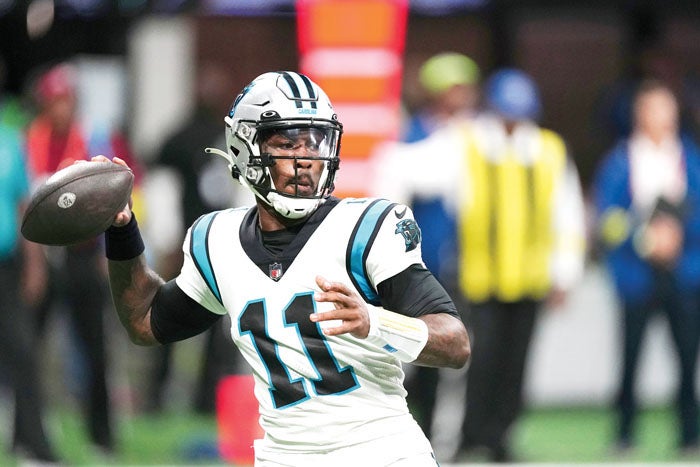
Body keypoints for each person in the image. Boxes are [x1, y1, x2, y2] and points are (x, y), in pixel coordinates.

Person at [95, 70, 470, 466]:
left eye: (315, 142)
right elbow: (144, 322)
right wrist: (122, 231)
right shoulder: (217, 240)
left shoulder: (366, 229)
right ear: (245, 149)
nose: (306, 159)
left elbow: (455, 343)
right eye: (288, 144)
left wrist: (376, 323)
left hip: (380, 452)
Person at [24, 61, 142, 455]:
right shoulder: (32, 139)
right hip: (41, 255)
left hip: (82, 253)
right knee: (27, 348)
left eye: (66, 100)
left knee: (94, 348)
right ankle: (27, 433)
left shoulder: (94, 137)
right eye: (54, 100)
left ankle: (102, 436)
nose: (61, 107)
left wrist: (113, 244)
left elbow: (121, 188)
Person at [592, 79, 700, 456]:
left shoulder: (689, 157)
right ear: (639, 114)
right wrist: (644, 239)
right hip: (637, 276)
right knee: (631, 357)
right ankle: (624, 433)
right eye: (653, 108)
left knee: (687, 358)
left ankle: (689, 433)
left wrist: (678, 239)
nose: (661, 116)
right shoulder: (621, 160)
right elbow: (607, 219)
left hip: (682, 274)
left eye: (666, 108)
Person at [146, 61, 250, 414]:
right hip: (186, 246)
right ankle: (156, 397)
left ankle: (208, 402)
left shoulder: (235, 139)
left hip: (225, 246)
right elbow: (160, 183)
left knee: (220, 329)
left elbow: (243, 194)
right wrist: (167, 239)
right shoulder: (181, 137)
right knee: (171, 317)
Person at [392, 51, 480, 441]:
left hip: (475, 259)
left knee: (471, 350)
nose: (460, 97)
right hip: (426, 261)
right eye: (452, 89)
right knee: (424, 348)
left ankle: (465, 434)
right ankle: (420, 431)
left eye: (465, 88)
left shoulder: (481, 135)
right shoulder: (415, 135)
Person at [0, 75, 58, 465]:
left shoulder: (10, 140)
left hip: (7, 265)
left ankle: (30, 441)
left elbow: (25, 206)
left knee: (23, 351)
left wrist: (35, 263)